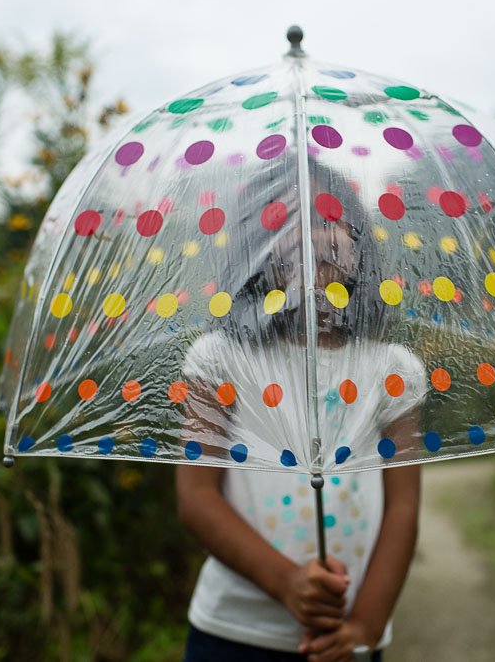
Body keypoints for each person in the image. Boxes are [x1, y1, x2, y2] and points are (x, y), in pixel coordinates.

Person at [175, 161, 427, 661]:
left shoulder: (393, 370)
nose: (313, 234)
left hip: (348, 636)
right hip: (234, 633)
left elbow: (403, 507)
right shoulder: (220, 359)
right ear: (256, 248)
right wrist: (286, 582)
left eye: (329, 217)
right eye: (288, 219)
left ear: (358, 244)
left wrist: (365, 624)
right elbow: (197, 498)